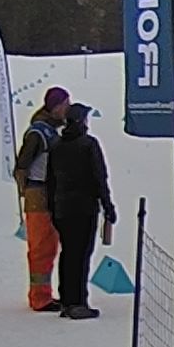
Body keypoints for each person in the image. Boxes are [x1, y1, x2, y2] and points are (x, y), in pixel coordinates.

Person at [43, 102, 117, 320]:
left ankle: (67, 300)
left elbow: (50, 181)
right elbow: (99, 178)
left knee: (68, 254)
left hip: (62, 210)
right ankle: (78, 302)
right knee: (81, 255)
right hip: (84, 209)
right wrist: (108, 206)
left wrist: (52, 208)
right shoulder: (88, 144)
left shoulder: (57, 145)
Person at [13, 86, 69, 311]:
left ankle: (44, 293)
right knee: (40, 248)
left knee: (50, 246)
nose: (67, 108)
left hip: (50, 195)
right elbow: (22, 165)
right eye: (64, 104)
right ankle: (39, 297)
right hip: (39, 195)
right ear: (55, 107)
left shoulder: (52, 131)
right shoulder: (38, 133)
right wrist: (27, 191)